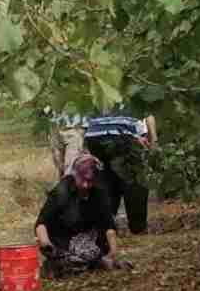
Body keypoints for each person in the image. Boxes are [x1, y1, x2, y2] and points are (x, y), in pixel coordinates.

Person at [35, 156, 130, 278]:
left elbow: (108, 224)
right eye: (82, 180)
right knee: (70, 263)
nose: (85, 185)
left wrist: (113, 252)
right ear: (75, 175)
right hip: (63, 240)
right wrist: (46, 243)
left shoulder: (99, 192)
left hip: (89, 240)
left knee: (93, 256)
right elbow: (41, 223)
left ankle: (95, 262)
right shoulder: (61, 191)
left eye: (90, 181)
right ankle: (60, 265)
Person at [82, 105, 157, 235]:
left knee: (108, 178)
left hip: (94, 136)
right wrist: (154, 140)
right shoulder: (137, 88)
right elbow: (149, 115)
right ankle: (138, 227)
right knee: (135, 180)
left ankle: (105, 225)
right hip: (122, 135)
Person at [48, 109, 87, 183]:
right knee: (59, 165)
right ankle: (63, 187)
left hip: (75, 127)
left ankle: (69, 188)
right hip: (55, 126)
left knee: (71, 166)